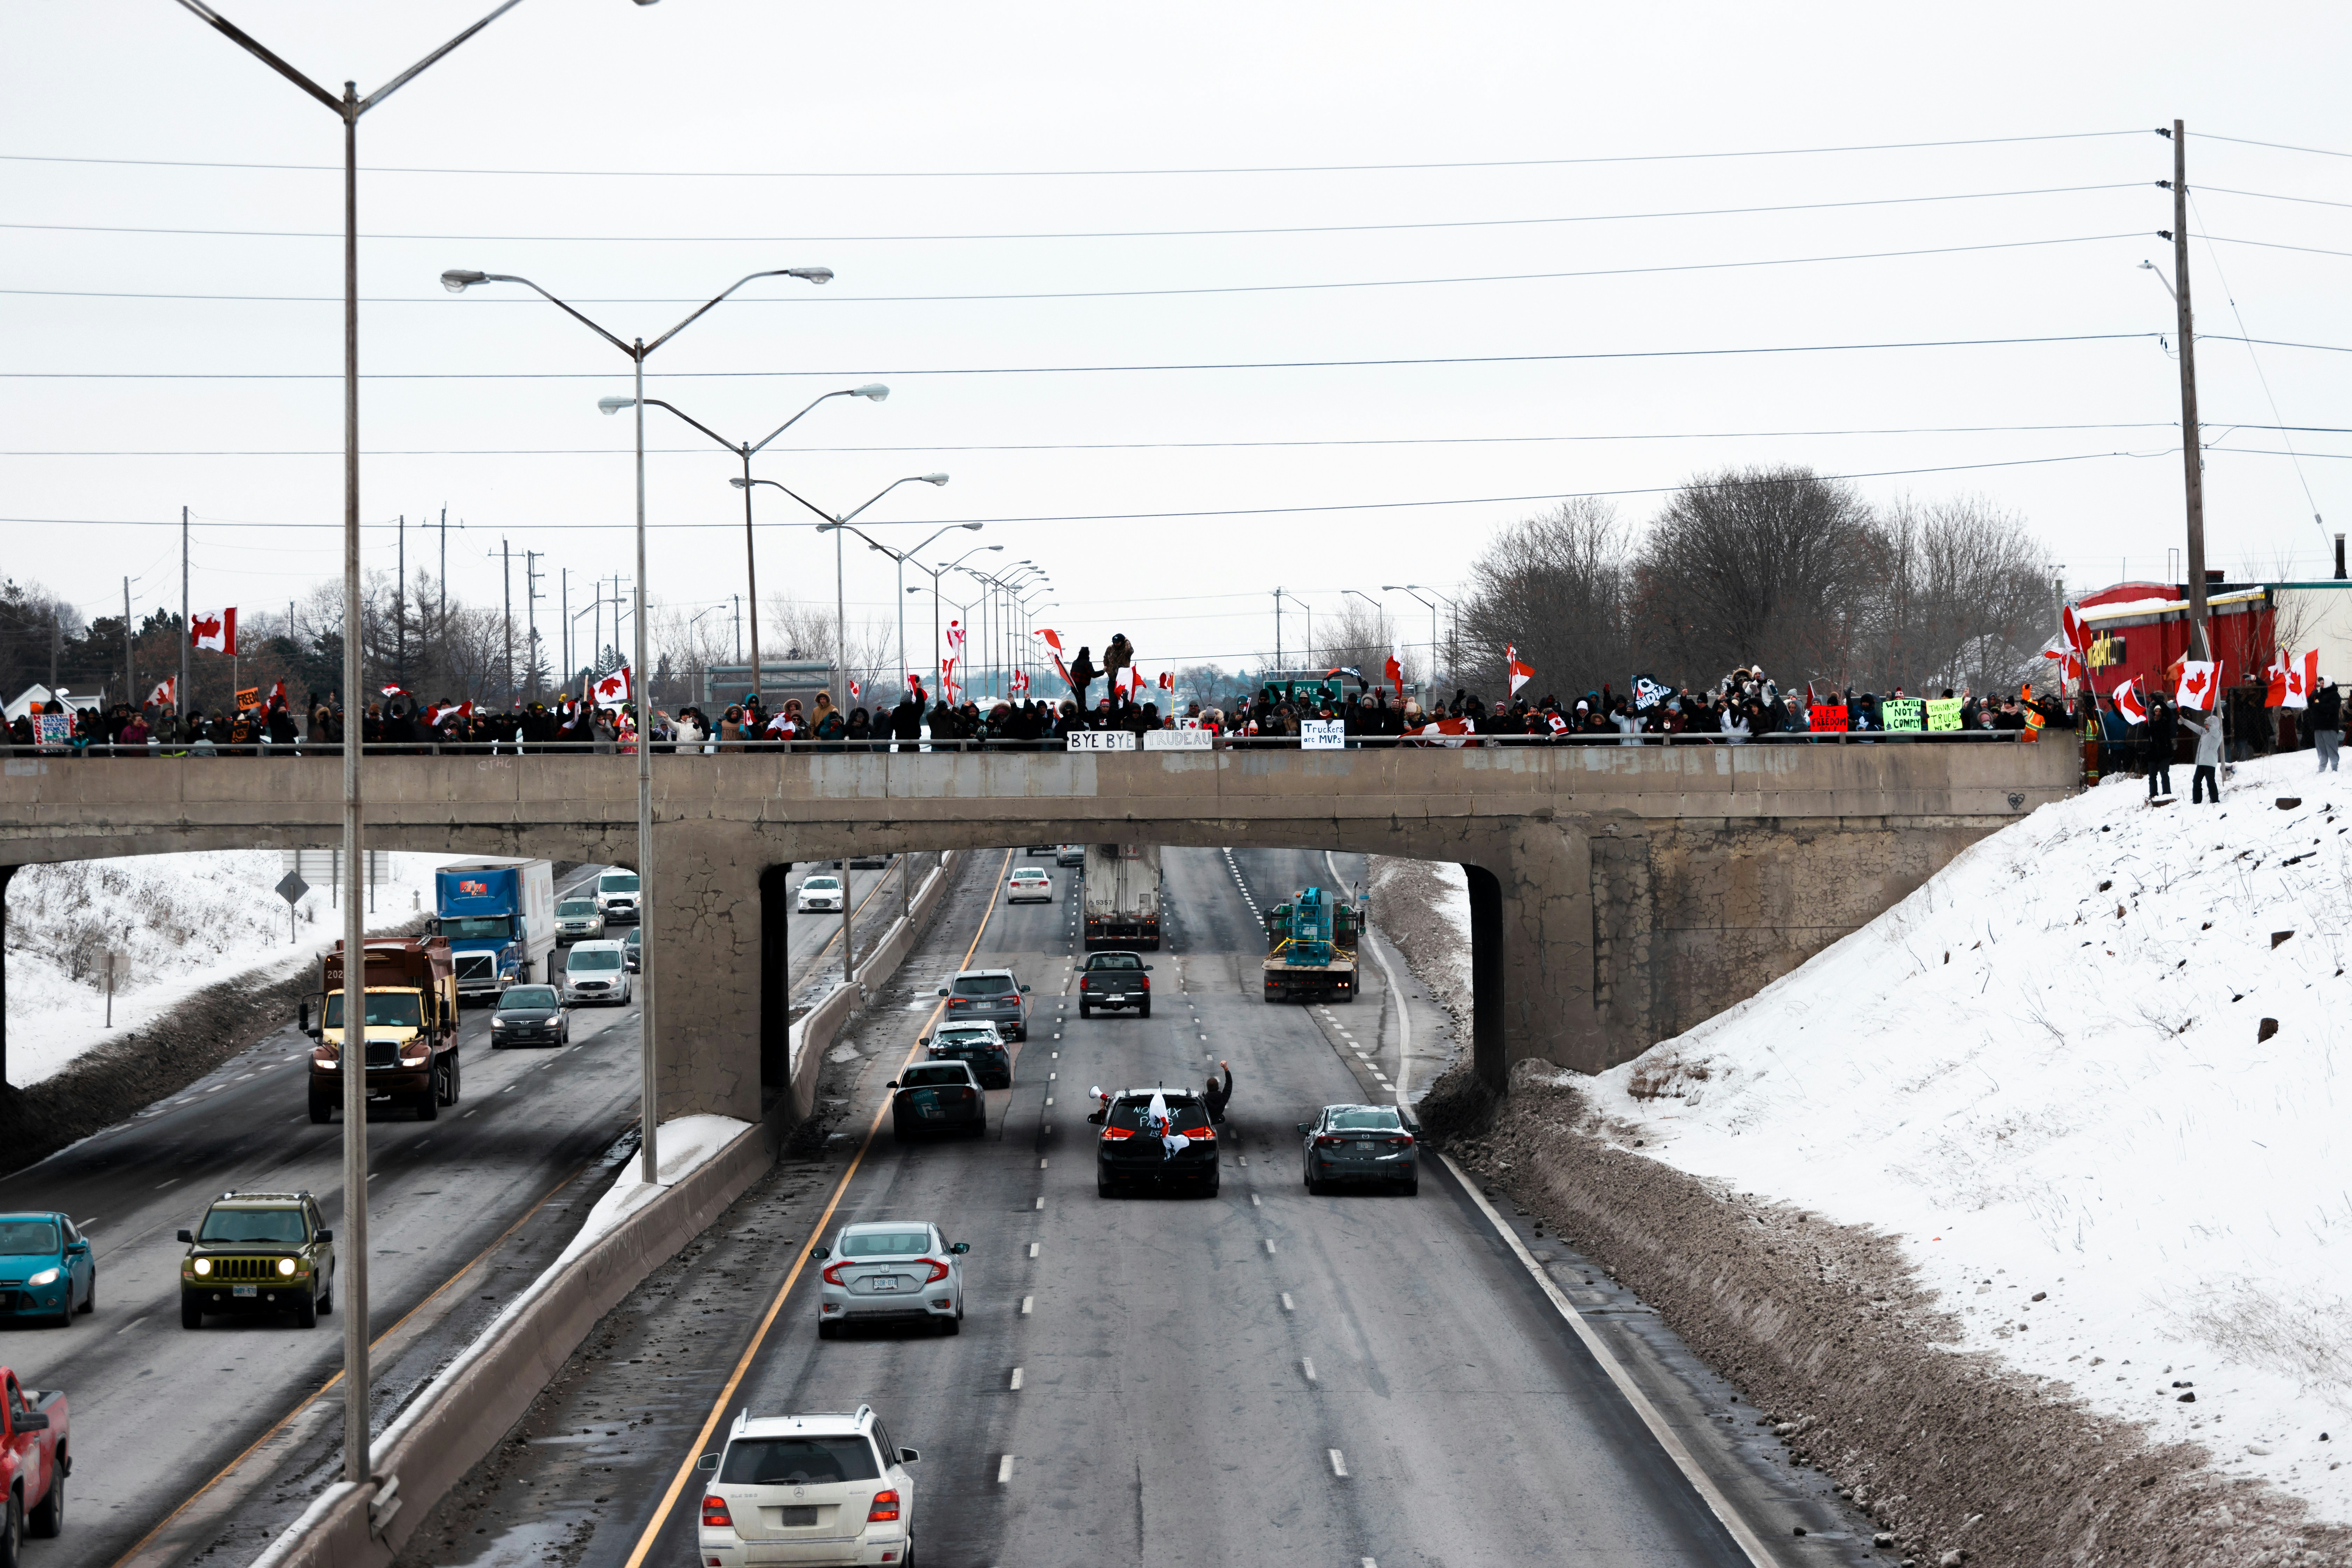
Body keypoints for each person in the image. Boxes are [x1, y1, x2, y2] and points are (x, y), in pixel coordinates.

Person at [2181, 706, 2223, 803]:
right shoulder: (2205, 733)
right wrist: (2185, 722)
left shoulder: (2217, 734)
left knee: (2210, 782)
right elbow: (2196, 728)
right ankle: (2197, 801)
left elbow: (2214, 731)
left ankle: (2215, 800)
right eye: (2206, 725)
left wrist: (2212, 725)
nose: (2206, 727)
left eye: (2208, 725)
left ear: (2213, 725)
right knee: (2196, 781)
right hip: (2202, 762)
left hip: (2210, 763)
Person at [2145, 696, 2176, 800]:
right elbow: (2145, 734)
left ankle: (2167, 794)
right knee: (2152, 776)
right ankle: (2153, 795)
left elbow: (2167, 711)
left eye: (2159, 711)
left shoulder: (2165, 722)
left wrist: (2158, 701)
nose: (2158, 713)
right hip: (2153, 753)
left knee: (2164, 774)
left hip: (2164, 752)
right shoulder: (2150, 723)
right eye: (2156, 711)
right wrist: (2152, 724)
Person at [2309, 679, 2342, 773]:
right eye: (2320, 684)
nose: (2321, 685)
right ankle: (2322, 768)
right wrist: (2311, 697)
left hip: (2329, 726)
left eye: (2323, 683)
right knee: (2321, 749)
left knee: (2331, 747)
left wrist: (2318, 706)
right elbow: (2312, 706)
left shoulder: (2335, 695)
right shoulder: (2319, 695)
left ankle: (2334, 768)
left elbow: (2332, 708)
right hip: (2318, 726)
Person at [1204, 1060, 1233, 1125]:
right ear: (1218, 1088)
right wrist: (1226, 1069)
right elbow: (1229, 1083)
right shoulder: (1223, 1099)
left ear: (1208, 1088)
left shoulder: (1203, 1100)